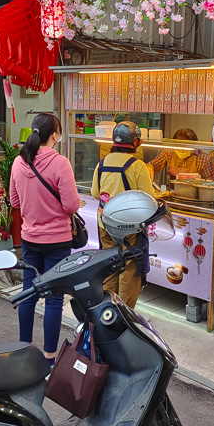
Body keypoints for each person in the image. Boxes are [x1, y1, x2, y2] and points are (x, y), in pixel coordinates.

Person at [9, 113, 81, 363]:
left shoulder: (19, 162)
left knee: (28, 292)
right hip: (57, 242)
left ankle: (23, 351)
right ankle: (49, 357)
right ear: (54, 135)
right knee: (53, 299)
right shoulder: (60, 163)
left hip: (30, 238)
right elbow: (72, 205)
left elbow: (15, 202)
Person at [91, 121, 154, 308]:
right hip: (129, 229)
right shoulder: (137, 166)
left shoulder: (101, 164)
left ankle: (107, 309)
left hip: (105, 225)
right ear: (135, 142)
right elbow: (148, 198)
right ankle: (125, 313)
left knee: (109, 266)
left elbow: (95, 193)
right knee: (129, 270)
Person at [147, 128, 214, 180]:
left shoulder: (202, 158)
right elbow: (153, 164)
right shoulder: (169, 153)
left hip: (196, 196)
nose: (181, 151)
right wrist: (150, 167)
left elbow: (212, 180)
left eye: (185, 148)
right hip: (173, 193)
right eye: (178, 147)